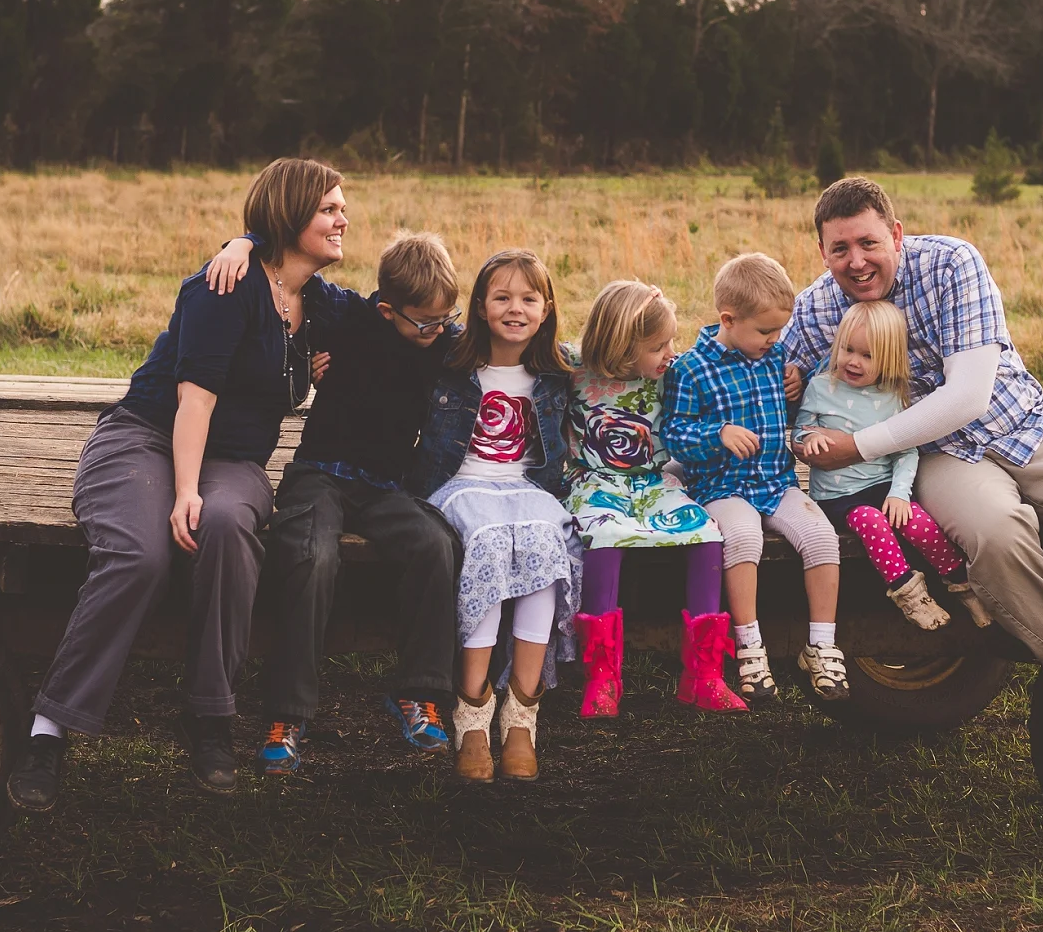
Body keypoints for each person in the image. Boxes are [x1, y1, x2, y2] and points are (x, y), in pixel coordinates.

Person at [783, 176, 1043, 784]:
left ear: (896, 234)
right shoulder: (817, 308)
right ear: (822, 252)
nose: (856, 262)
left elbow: (968, 395)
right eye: (839, 249)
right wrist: (773, 383)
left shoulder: (952, 264)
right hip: (937, 455)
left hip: (1021, 421)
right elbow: (761, 365)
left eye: (868, 243)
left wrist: (857, 447)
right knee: (996, 535)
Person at [6, 158, 364, 811]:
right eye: (329, 209)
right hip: (146, 438)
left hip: (235, 461)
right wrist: (185, 490)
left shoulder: (319, 304)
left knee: (227, 526)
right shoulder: (223, 286)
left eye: (342, 207)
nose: (344, 219)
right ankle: (49, 729)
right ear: (290, 215)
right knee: (139, 554)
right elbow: (193, 400)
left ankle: (209, 717)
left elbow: (396, 321)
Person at [238, 231, 468, 776]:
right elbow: (287, 274)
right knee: (313, 555)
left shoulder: (442, 341)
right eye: (426, 322)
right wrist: (241, 244)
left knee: (435, 545)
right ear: (388, 309)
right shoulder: (347, 317)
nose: (438, 330)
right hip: (320, 473)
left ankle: (417, 692)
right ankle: (288, 715)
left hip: (386, 486)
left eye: (445, 319)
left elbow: (500, 337)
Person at [410, 250, 580, 783]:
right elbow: (395, 319)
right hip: (461, 486)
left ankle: (522, 718)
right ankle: (473, 716)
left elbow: (624, 354)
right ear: (480, 307)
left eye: (529, 299)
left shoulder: (558, 368)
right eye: (501, 297)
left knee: (544, 547)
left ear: (546, 309)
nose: (515, 309)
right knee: (487, 545)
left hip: (527, 490)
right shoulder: (450, 359)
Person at [660, 252, 847, 707]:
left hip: (776, 482)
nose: (774, 340)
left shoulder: (774, 359)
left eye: (779, 330)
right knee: (744, 537)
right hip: (721, 486)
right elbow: (675, 434)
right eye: (766, 331)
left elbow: (786, 406)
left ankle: (821, 645)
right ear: (728, 320)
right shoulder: (690, 370)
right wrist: (718, 434)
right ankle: (749, 645)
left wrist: (796, 386)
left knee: (822, 537)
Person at [565, 280, 729, 716]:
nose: (669, 353)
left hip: (654, 483)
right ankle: (602, 677)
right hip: (595, 484)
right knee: (605, 536)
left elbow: (716, 365)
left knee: (706, 534)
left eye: (671, 342)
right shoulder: (573, 370)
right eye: (658, 346)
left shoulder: (671, 374)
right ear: (620, 347)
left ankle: (705, 675)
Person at [792, 300, 981, 631]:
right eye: (848, 349)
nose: (854, 361)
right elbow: (800, 431)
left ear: (889, 360)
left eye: (867, 355)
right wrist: (808, 440)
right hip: (838, 496)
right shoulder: (821, 387)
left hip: (881, 487)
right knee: (873, 523)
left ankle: (962, 586)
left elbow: (906, 452)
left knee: (919, 524)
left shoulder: (893, 397)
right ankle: (911, 596)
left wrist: (899, 493)